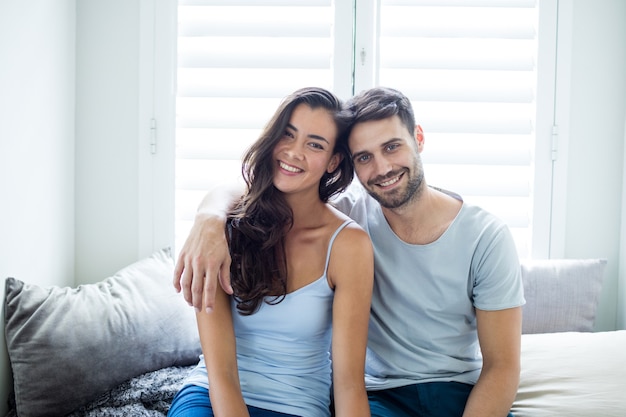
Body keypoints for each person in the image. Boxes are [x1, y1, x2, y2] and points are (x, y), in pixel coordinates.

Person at [174, 87, 525, 417]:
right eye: (365, 157)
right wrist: (209, 216)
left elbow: (503, 366)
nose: (382, 168)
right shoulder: (341, 216)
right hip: (381, 396)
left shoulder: (484, 236)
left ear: (418, 138)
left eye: (392, 147)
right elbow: (267, 185)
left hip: (457, 390)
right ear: (350, 163)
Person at [168, 87, 374, 417]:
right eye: (287, 135)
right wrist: (209, 217)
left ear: (334, 161)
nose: (293, 152)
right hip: (212, 396)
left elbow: (349, 383)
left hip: (298, 405)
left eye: (315, 144)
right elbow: (222, 374)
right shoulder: (227, 226)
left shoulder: (349, 245)